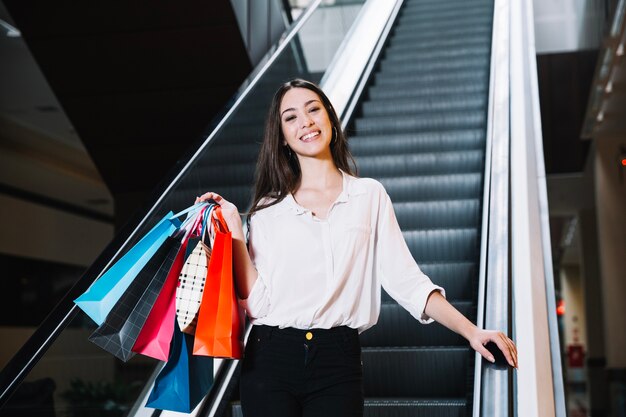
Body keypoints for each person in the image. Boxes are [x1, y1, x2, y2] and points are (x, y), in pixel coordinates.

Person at [196, 78, 517, 417]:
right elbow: (258, 303)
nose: (305, 122)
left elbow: (407, 281)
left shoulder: (369, 196)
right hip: (269, 357)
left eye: (313, 110)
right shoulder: (268, 209)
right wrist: (233, 229)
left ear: (330, 118)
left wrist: (472, 331)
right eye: (290, 117)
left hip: (337, 361)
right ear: (283, 138)